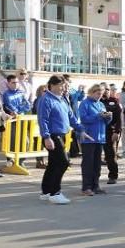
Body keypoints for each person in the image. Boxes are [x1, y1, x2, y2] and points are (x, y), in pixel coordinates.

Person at [37, 75, 89, 203]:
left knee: (53, 164)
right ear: (52, 85)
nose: (64, 88)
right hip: (52, 135)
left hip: (60, 134)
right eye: (61, 85)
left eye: (65, 85)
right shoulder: (46, 99)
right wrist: (47, 137)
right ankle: (55, 192)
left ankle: (46, 191)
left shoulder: (63, 99)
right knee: (63, 162)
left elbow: (71, 117)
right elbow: (42, 120)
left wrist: (80, 128)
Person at [78, 85, 113, 196]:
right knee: (88, 163)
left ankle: (95, 185)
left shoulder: (101, 104)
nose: (99, 96)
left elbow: (105, 122)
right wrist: (98, 116)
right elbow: (84, 119)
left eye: (101, 94)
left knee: (97, 164)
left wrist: (108, 117)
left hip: (100, 138)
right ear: (91, 92)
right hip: (89, 138)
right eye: (98, 94)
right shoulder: (85, 103)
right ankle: (86, 187)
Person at [101, 84, 122, 184]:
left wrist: (117, 131)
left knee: (110, 154)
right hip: (99, 131)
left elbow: (119, 119)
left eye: (107, 89)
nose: (106, 91)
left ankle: (113, 176)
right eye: (103, 89)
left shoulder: (114, 101)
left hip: (111, 131)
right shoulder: (97, 101)